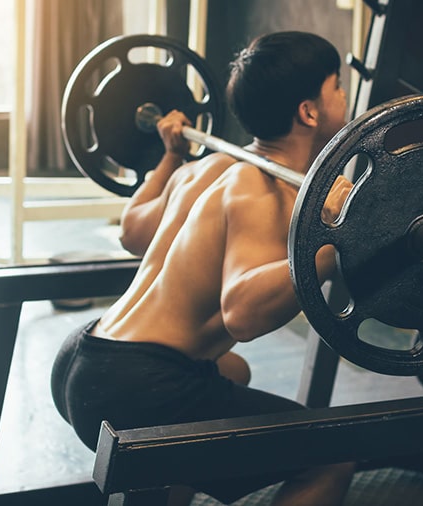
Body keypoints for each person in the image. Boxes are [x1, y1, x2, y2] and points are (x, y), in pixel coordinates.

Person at [52, 31, 355, 505]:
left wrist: (171, 153)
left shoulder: (206, 166)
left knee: (231, 372)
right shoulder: (263, 188)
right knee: (331, 457)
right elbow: (242, 312)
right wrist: (338, 245)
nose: (345, 95)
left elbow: (133, 230)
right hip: (137, 386)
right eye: (338, 86)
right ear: (309, 111)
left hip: (85, 358)